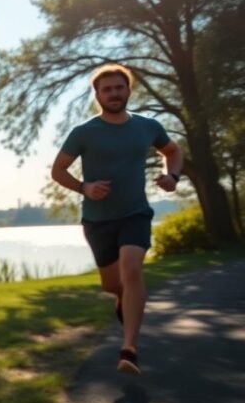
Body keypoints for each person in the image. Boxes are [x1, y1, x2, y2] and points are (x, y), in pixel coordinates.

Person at [51, 65, 182, 376]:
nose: (113, 93)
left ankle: (129, 349)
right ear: (97, 95)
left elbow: (173, 150)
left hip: (135, 213)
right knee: (114, 285)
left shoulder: (148, 127)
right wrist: (85, 187)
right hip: (97, 221)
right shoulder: (84, 132)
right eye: (106, 89)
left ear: (128, 91)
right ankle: (127, 304)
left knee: (132, 269)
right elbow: (58, 171)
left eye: (118, 88)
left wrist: (173, 176)